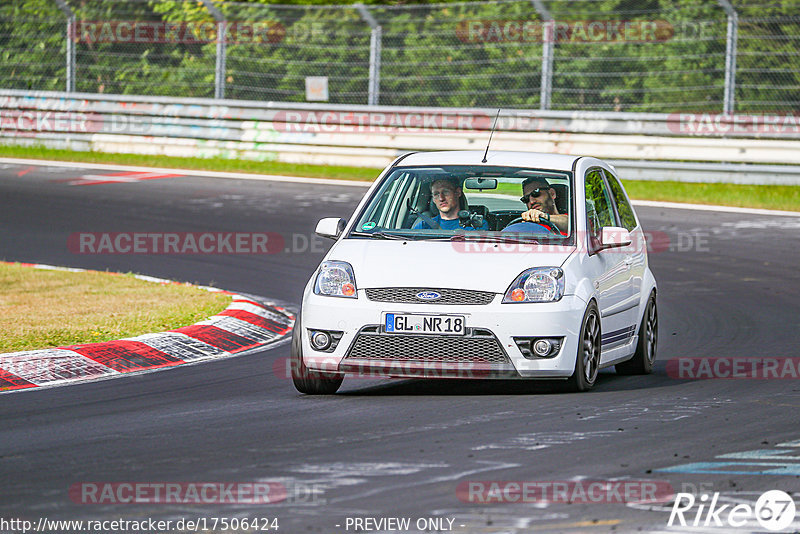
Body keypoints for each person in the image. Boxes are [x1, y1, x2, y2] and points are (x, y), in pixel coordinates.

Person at [412, 177, 488, 231]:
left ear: (458, 193)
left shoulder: (476, 224)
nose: (441, 198)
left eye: (445, 192)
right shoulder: (424, 226)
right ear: (433, 199)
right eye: (436, 194)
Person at [503, 177, 568, 234]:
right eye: (526, 199)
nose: (531, 201)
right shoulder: (527, 226)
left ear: (552, 193)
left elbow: (569, 223)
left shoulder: (572, 218)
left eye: (535, 193)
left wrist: (545, 217)